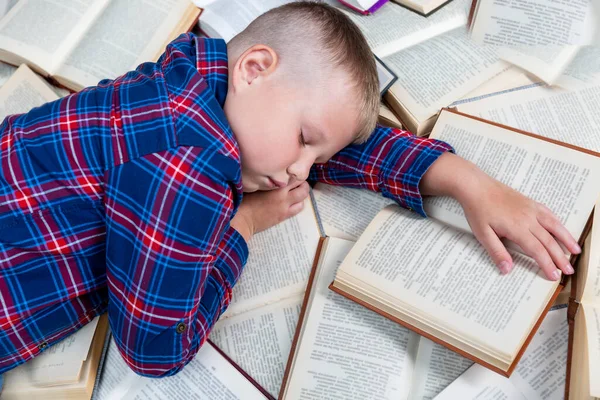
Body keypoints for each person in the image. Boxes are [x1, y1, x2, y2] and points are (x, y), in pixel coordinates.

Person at [0, 1, 579, 383]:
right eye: (302, 141)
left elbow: (341, 143)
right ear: (255, 67)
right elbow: (154, 349)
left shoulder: (200, 73)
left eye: (315, 155)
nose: (302, 172)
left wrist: (463, 179)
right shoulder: (184, 172)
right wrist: (245, 226)